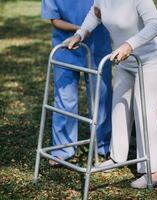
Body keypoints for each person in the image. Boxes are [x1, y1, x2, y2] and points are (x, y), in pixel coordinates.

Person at [67, 0, 157, 188]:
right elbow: (94, 14)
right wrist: (80, 34)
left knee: (144, 111)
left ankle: (156, 170)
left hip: (150, 59)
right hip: (125, 60)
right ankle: (117, 157)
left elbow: (156, 24)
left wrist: (130, 44)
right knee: (119, 107)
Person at [41, 0, 112, 165]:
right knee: (65, 99)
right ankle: (62, 149)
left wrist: (88, 28)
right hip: (66, 48)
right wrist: (80, 30)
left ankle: (104, 145)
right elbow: (55, 20)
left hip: (97, 47)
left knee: (101, 98)